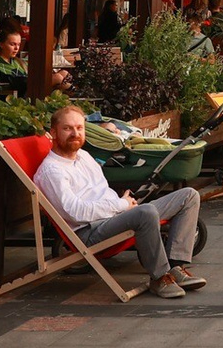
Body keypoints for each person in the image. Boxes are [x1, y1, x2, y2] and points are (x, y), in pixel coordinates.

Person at [37, 105, 204, 300]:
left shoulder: (83, 156)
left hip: (115, 215)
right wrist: (121, 205)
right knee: (146, 212)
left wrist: (123, 204)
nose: (75, 133)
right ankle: (159, 278)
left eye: (79, 128)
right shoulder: (52, 171)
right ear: (53, 132)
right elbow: (75, 212)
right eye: (67, 128)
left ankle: (175, 267)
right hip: (90, 231)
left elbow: (101, 191)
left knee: (189, 196)